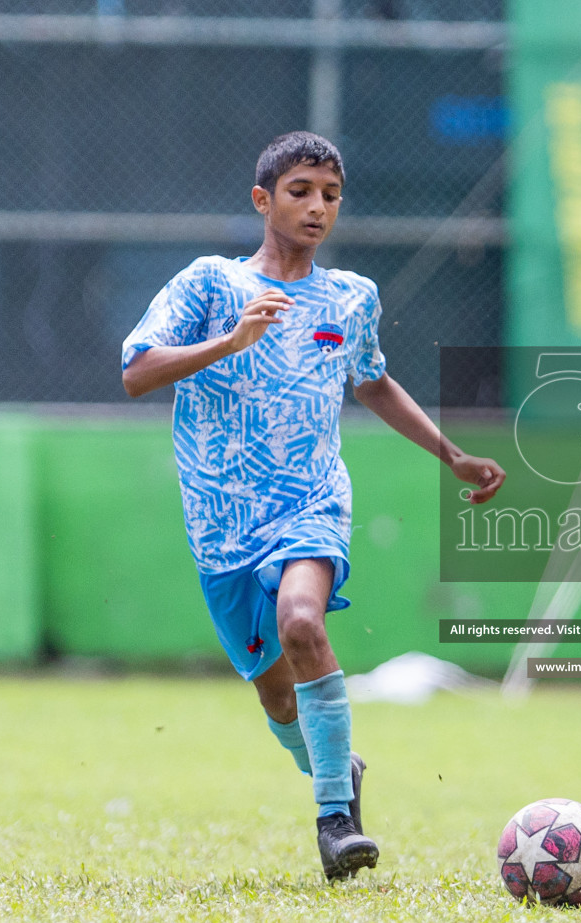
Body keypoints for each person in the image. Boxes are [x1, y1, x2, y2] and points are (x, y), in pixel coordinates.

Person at [121, 131, 505, 881]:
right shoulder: (208, 285)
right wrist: (229, 342)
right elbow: (137, 370)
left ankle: (336, 822)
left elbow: (373, 381)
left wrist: (450, 452)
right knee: (275, 692)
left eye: (330, 195)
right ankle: (338, 769)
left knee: (303, 620)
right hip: (223, 524)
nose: (317, 207)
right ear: (263, 200)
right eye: (300, 191)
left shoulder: (351, 296)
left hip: (311, 501)